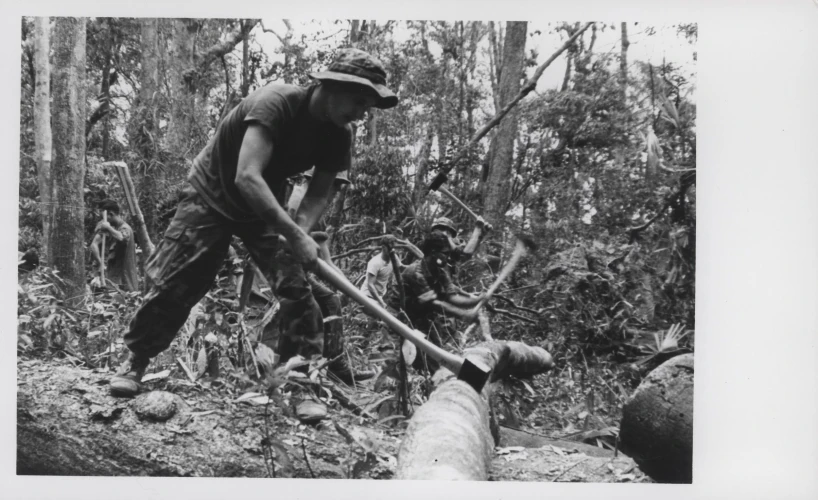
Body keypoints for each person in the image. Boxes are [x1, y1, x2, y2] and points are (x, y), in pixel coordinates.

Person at [110, 48, 398, 397]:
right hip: (211, 194)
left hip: (263, 207)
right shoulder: (275, 102)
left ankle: (301, 381)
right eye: (357, 101)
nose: (360, 113)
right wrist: (292, 232)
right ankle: (135, 359)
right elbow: (246, 177)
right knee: (177, 281)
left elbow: (319, 193)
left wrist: (299, 234)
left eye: (366, 107)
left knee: (295, 288)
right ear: (332, 86)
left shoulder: (340, 134)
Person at [400, 232, 484, 372]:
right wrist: (465, 315)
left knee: (436, 356)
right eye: (445, 253)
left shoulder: (441, 270)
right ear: (434, 252)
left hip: (424, 317)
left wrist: (476, 300)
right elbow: (435, 304)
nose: (448, 257)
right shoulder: (415, 272)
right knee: (401, 362)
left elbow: (452, 297)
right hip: (401, 318)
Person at [89, 200, 139, 292]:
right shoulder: (112, 228)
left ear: (111, 214)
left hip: (124, 275)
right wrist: (101, 263)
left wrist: (108, 228)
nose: (103, 221)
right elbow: (94, 245)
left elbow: (121, 238)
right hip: (113, 275)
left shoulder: (125, 228)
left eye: (104, 218)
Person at [360, 235, 401, 309]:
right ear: (384, 247)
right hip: (368, 297)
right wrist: (381, 302)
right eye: (391, 248)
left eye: (395, 248)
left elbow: (402, 268)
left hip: (379, 296)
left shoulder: (394, 257)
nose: (393, 251)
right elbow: (370, 285)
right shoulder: (375, 262)